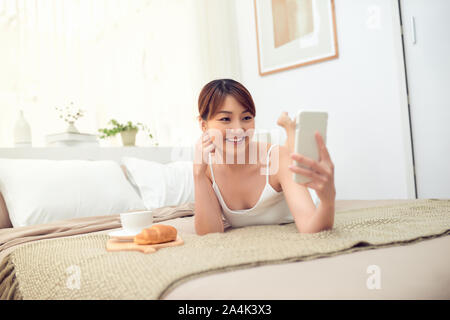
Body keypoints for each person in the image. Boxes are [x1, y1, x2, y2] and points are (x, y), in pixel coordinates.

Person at [193, 79, 335, 235]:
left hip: (288, 174)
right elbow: (209, 234)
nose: (238, 129)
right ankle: (289, 128)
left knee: (290, 155)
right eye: (225, 119)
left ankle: (289, 128)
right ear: (203, 125)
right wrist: (198, 175)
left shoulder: (278, 158)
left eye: (246, 118)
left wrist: (327, 202)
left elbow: (311, 229)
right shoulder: (207, 169)